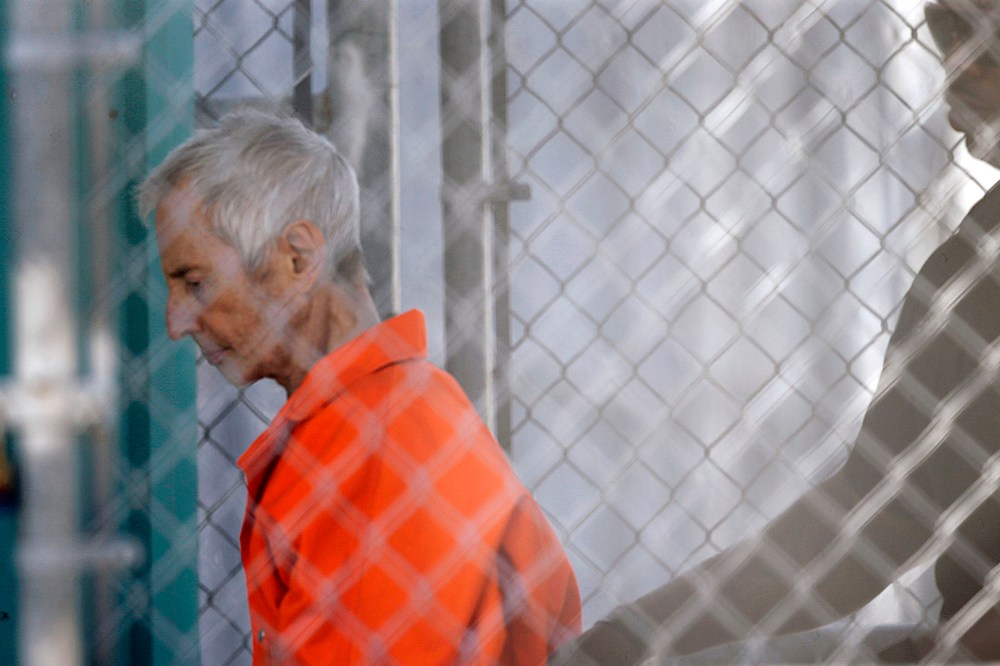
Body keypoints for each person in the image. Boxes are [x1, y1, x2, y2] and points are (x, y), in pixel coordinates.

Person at [553, 1, 1000, 663]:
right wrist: (636, 634)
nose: (955, 66)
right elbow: (880, 512)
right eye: (945, 30)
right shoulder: (973, 265)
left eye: (980, 38)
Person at [138, 109, 581, 664]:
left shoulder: (373, 444)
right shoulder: (379, 415)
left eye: (195, 284)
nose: (177, 323)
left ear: (297, 257)